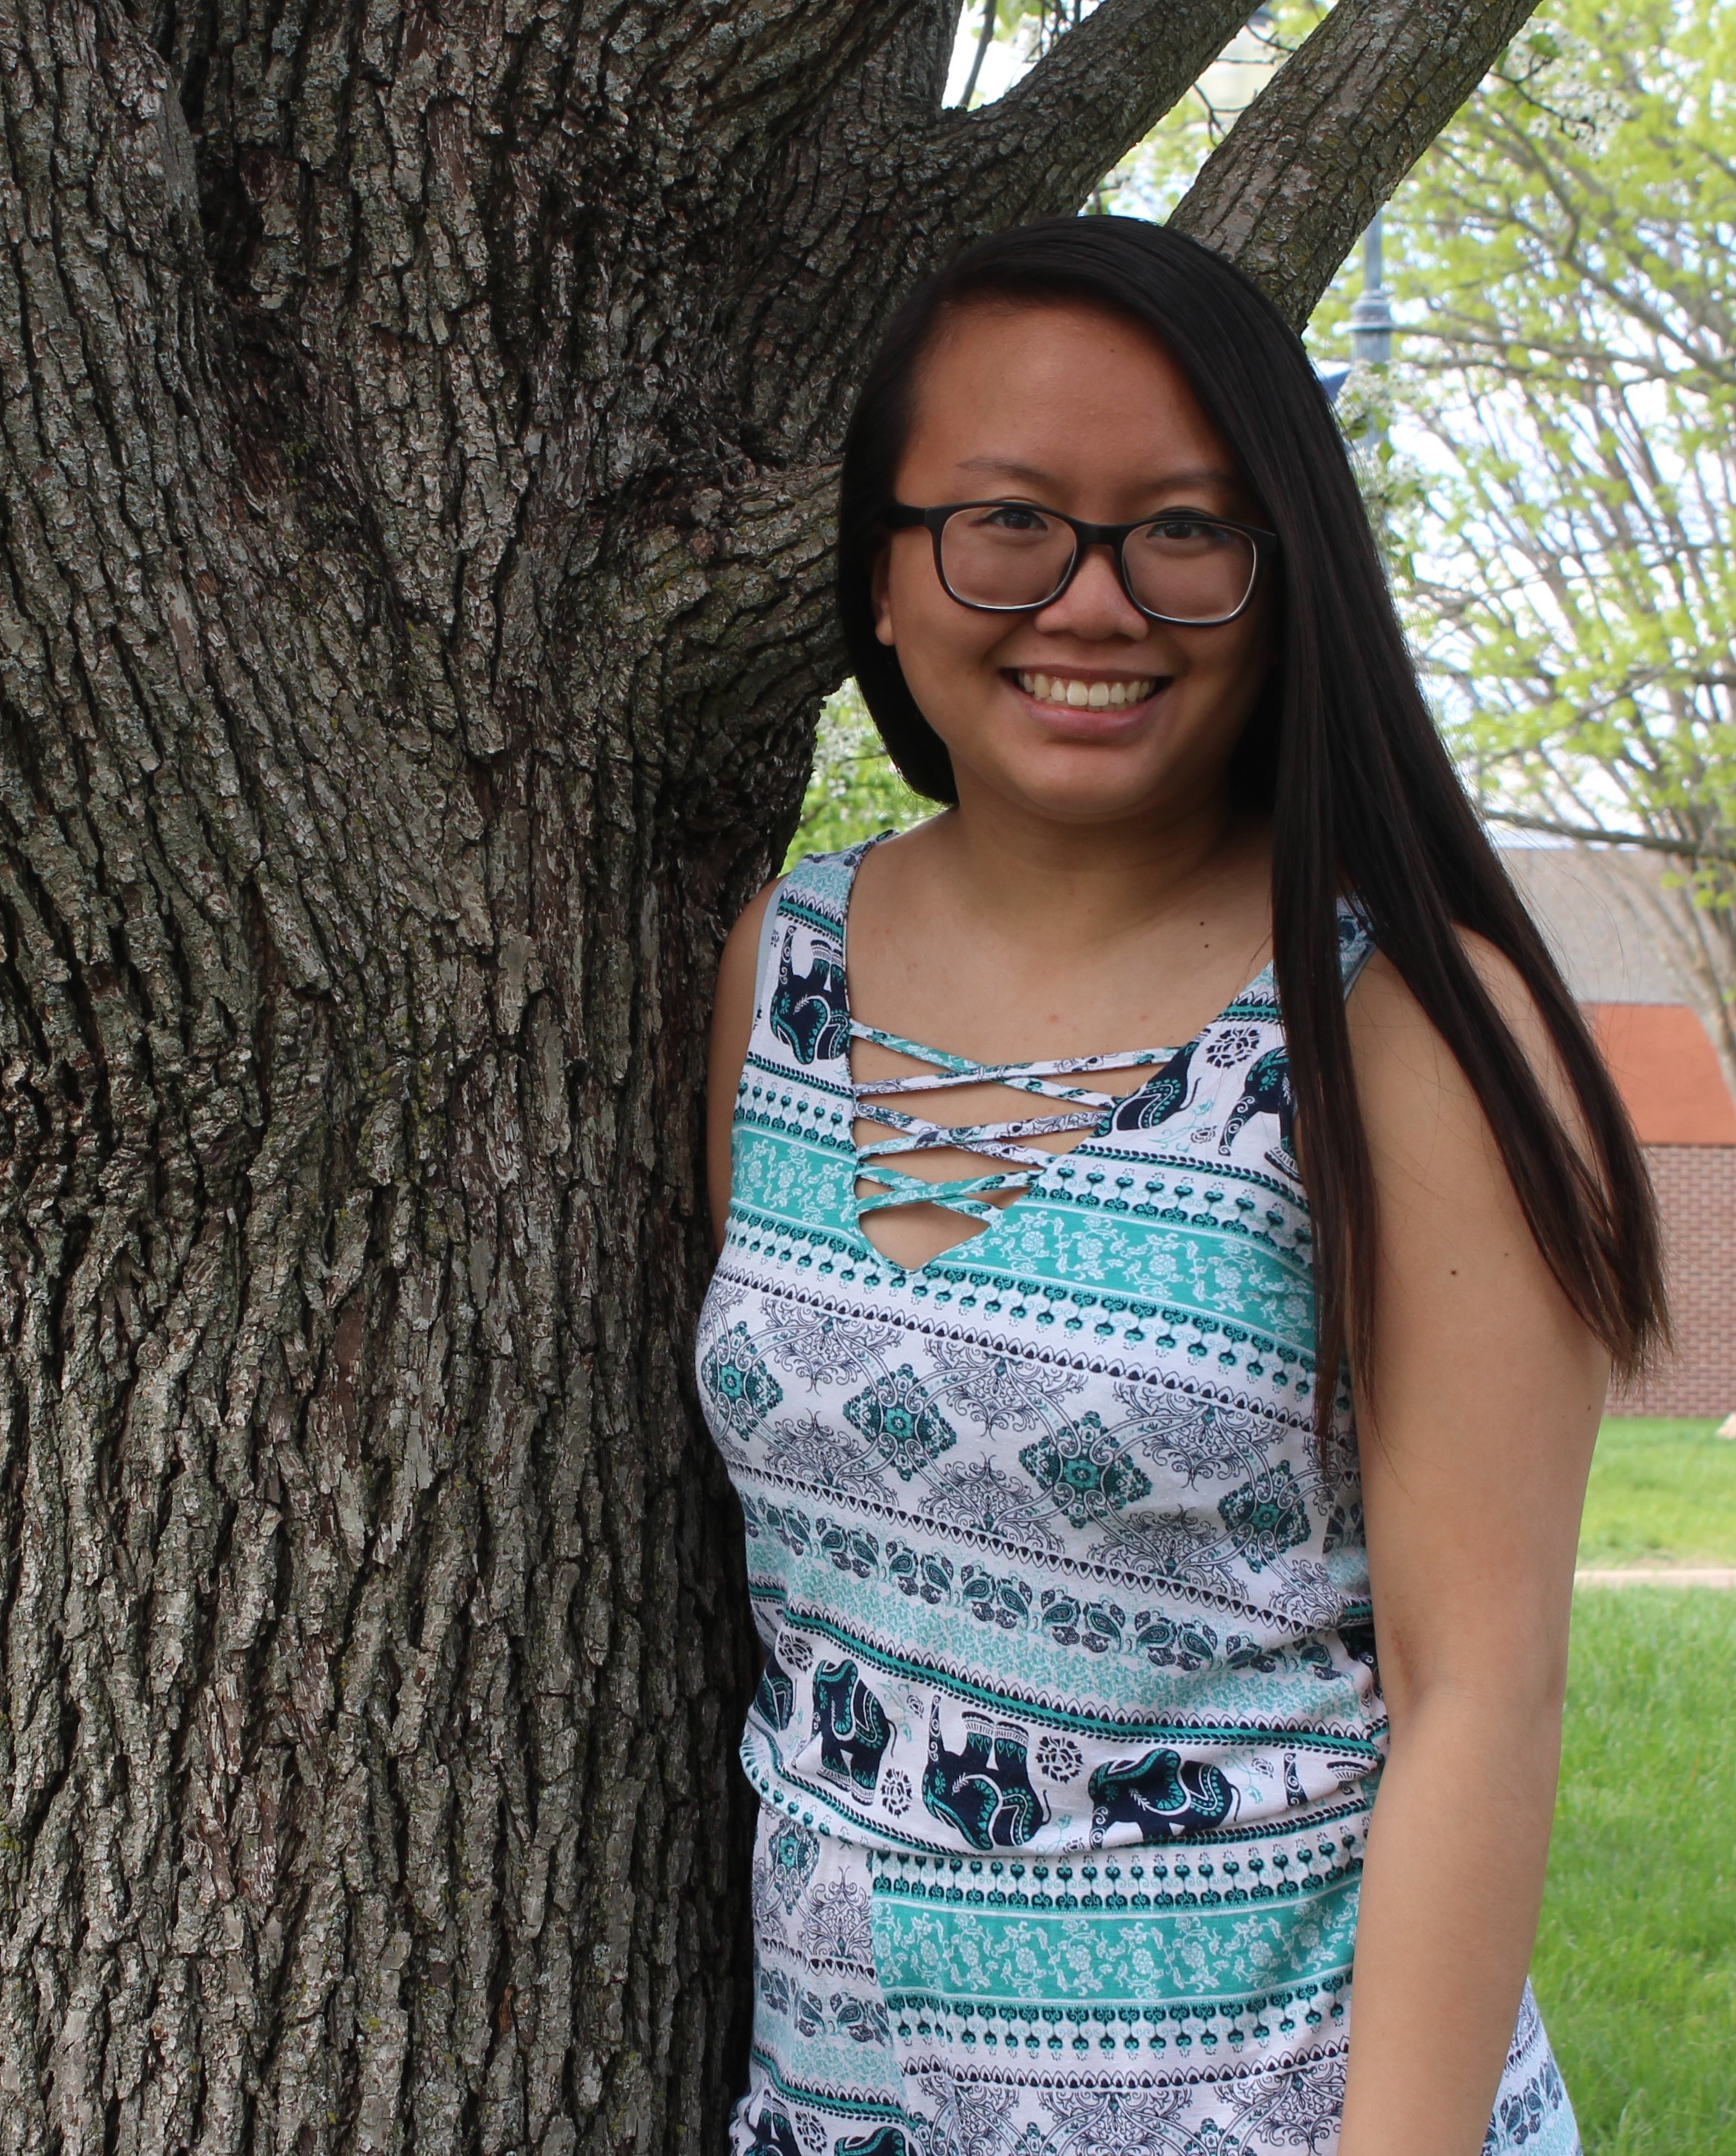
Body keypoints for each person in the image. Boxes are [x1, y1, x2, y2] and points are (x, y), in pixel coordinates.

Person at [698, 217, 1663, 2156]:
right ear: (881, 573)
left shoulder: (1404, 1025)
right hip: (837, 2105)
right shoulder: (784, 963)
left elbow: (1479, 1700)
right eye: (1007, 522)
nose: (1094, 602)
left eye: (1185, 531)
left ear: (1283, 578)